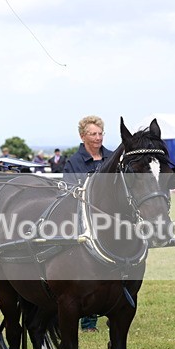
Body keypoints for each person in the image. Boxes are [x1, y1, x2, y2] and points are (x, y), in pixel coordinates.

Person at [64, 115, 114, 332]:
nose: (98, 138)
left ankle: (115, 309)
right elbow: (68, 192)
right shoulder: (73, 163)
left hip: (112, 221)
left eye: (100, 133)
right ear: (82, 136)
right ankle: (88, 321)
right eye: (93, 134)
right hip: (84, 222)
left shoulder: (112, 158)